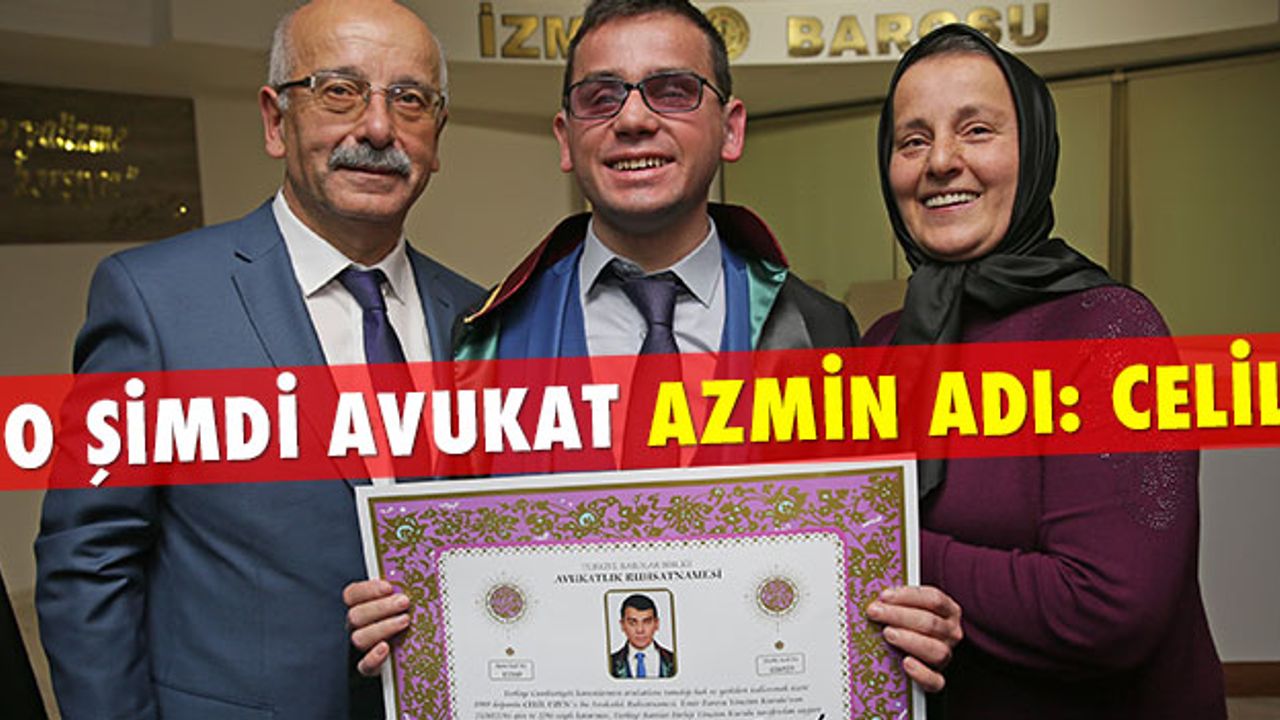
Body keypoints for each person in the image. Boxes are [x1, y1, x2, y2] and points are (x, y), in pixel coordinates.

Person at [346, 0, 960, 697]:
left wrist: (908, 619)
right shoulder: (483, 340)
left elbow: (855, 563)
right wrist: (404, 614)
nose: (633, 119)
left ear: (730, 129)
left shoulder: (817, 332)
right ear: (566, 137)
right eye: (600, 96)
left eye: (672, 90)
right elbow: (456, 574)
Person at [34, 1, 482, 718]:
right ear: (276, 120)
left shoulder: (478, 318)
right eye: (339, 91)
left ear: (437, 135)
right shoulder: (156, 301)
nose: (377, 128)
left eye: (409, 99)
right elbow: (89, 562)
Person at [861, 23, 1227, 718]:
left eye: (976, 131)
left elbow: (1110, 608)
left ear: (1033, 150)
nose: (941, 161)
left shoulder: (1113, 331)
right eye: (912, 141)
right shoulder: (880, 346)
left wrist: (880, 546)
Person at [610, 594, 676, 679]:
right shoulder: (610, 663)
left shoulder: (674, 660)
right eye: (632, 623)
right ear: (622, 625)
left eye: (647, 622)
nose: (640, 630)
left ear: (656, 624)